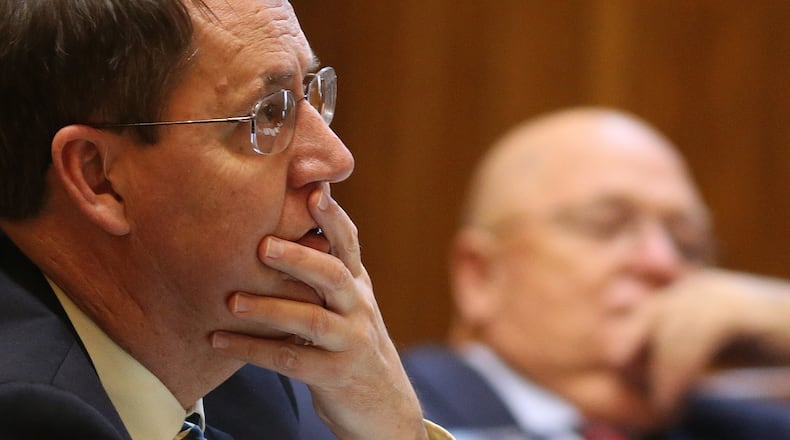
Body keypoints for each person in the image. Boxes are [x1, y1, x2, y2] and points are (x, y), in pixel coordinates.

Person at [0, 1, 451, 439]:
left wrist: (391, 423)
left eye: (308, 95)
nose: (336, 159)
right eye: (268, 113)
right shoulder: (28, 411)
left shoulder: (244, 375)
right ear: (99, 178)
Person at [399, 107, 790, 439]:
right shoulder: (386, 416)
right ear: (480, 276)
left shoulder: (744, 428)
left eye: (688, 242)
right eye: (606, 225)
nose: (663, 262)